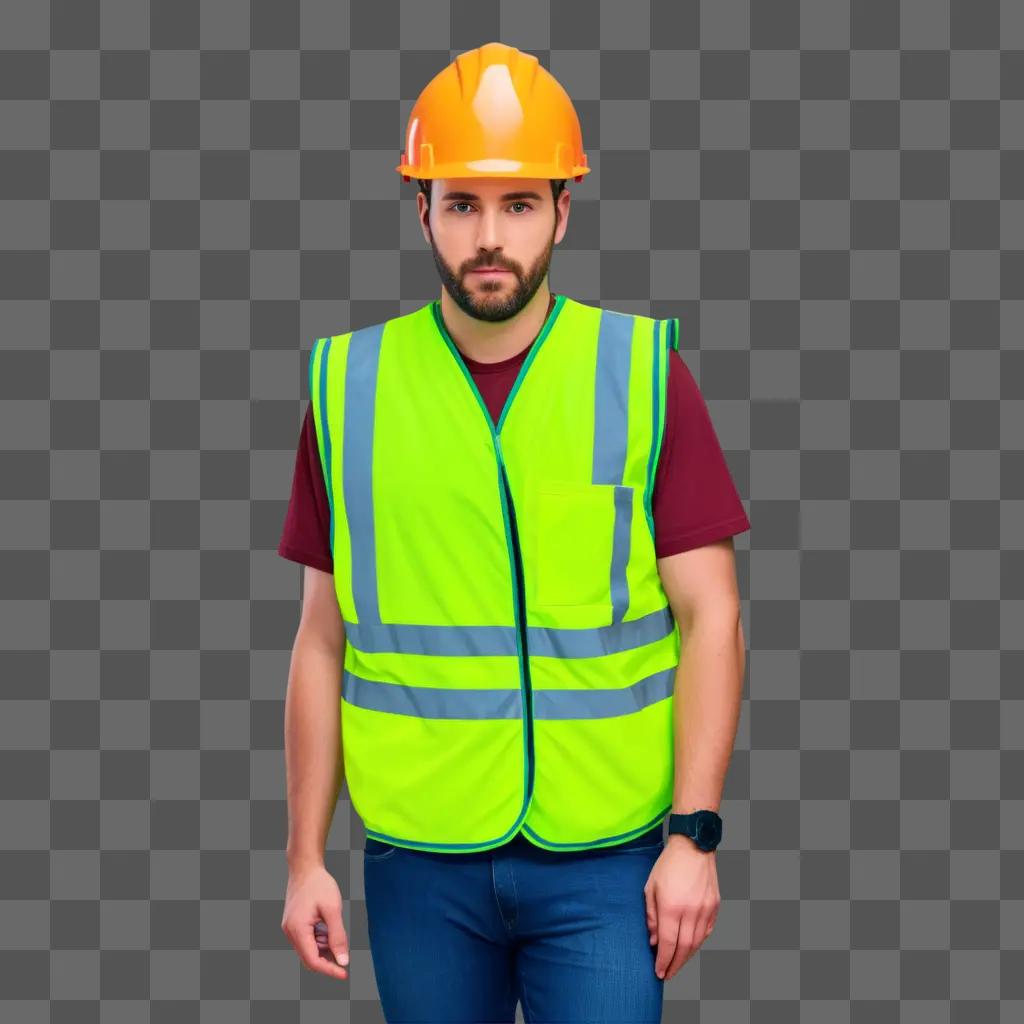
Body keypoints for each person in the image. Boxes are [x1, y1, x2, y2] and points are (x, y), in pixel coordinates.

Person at [278, 41, 749, 1023]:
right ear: (422, 210)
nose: (488, 237)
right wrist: (302, 860)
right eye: (461, 204)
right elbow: (321, 639)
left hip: (608, 860)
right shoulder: (347, 389)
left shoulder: (642, 374)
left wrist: (693, 835)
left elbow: (712, 613)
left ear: (562, 209)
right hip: (421, 862)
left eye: (518, 204)